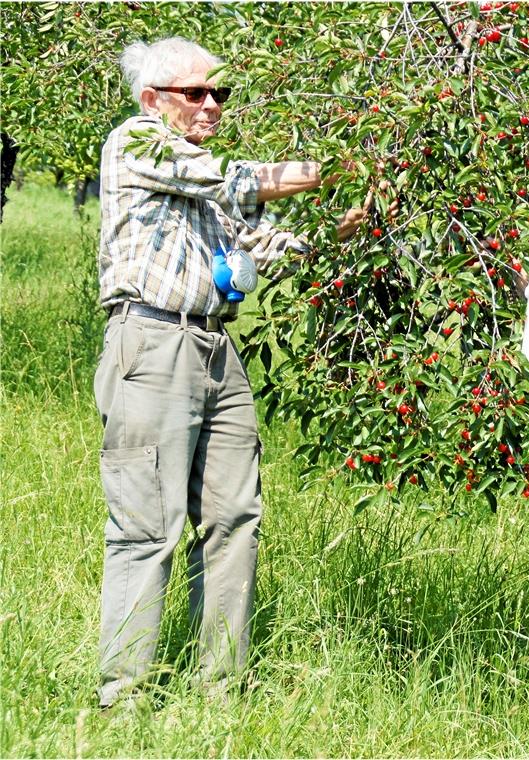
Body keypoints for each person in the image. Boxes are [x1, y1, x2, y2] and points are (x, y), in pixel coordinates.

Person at [94, 36, 366, 708]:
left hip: (216, 349)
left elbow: (255, 241)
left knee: (234, 516)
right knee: (147, 529)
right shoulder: (139, 143)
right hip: (153, 343)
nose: (213, 104)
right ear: (153, 97)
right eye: (197, 93)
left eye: (221, 93)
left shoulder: (196, 175)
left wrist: (336, 234)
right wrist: (340, 165)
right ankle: (122, 697)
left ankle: (221, 689)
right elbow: (237, 179)